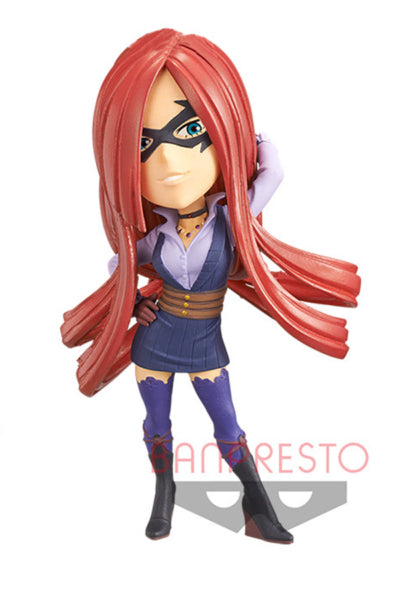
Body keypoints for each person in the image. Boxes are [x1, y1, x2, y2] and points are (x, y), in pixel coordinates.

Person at [61, 29, 360, 543]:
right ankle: (164, 495)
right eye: (145, 145)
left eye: (190, 130)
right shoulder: (154, 237)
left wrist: (251, 137)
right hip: (154, 343)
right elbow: (118, 264)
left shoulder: (231, 219)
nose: (169, 162)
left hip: (204, 343)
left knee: (228, 426)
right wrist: (134, 302)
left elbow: (273, 174)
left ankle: (258, 505)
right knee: (158, 426)